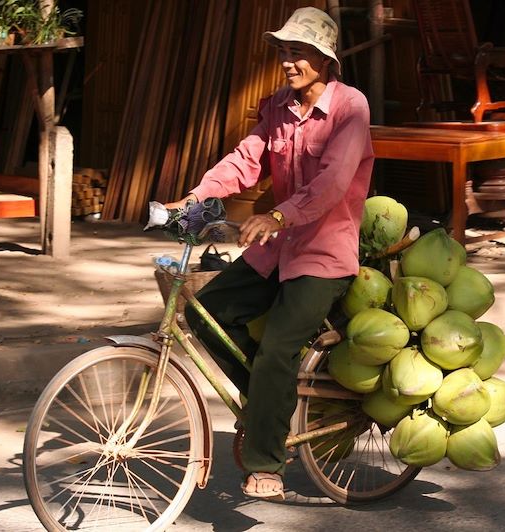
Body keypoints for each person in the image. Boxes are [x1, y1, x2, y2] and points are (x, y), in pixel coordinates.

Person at [165, 6, 374, 501]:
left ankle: (266, 464)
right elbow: (245, 159)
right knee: (206, 312)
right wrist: (196, 196)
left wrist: (278, 216)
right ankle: (269, 404)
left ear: (325, 59)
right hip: (275, 248)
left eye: (298, 52)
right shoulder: (279, 107)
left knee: (278, 347)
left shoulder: (352, 108)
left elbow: (332, 183)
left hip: (324, 253)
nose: (287, 61)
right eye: (284, 52)